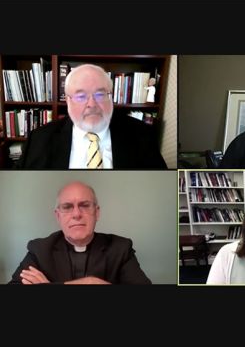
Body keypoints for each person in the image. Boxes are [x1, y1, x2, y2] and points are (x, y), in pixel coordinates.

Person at [18, 64, 167, 169]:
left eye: (100, 94)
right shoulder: (38, 140)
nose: (92, 104)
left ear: (111, 98)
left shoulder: (142, 135)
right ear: (68, 101)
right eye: (81, 96)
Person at [8, 181, 151, 284]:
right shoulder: (40, 250)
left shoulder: (121, 248)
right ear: (58, 216)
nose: (76, 214)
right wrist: (88, 282)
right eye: (67, 207)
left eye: (84, 205)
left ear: (97, 213)